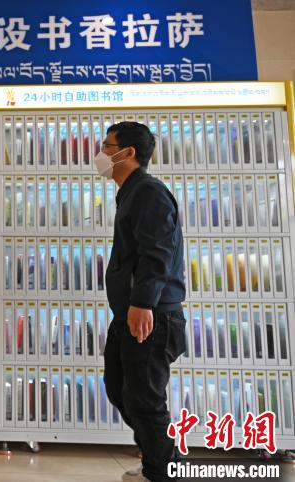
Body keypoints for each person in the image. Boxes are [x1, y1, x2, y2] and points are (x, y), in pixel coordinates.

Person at [99, 122, 187, 482]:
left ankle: (164, 471)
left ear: (128, 153)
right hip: (130, 312)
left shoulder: (148, 192)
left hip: (151, 315)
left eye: (107, 147)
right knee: (120, 388)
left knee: (145, 400)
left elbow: (157, 252)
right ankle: (160, 459)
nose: (102, 154)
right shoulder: (131, 193)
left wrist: (143, 303)